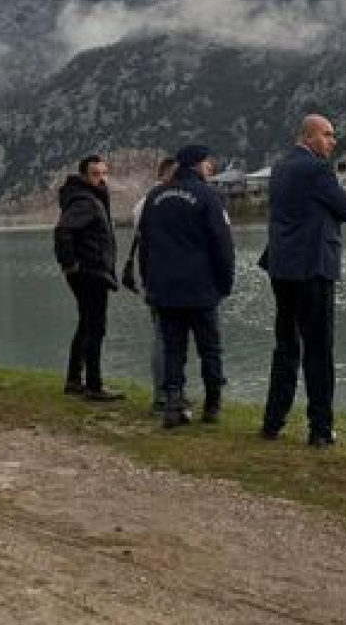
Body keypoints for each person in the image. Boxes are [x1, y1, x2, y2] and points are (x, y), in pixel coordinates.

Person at [260, 114, 346, 447]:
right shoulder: (316, 170)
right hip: (312, 269)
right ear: (309, 137)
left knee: (285, 345)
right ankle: (320, 429)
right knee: (318, 350)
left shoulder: (280, 169)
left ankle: (273, 421)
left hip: (282, 268)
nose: (333, 141)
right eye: (328, 135)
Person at [140, 144, 234, 428]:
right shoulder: (207, 195)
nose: (211, 168)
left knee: (173, 350)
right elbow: (222, 244)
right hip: (200, 287)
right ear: (196, 164)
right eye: (208, 163)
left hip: (165, 288)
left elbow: (145, 244)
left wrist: (149, 282)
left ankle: (172, 406)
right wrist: (225, 282)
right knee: (210, 349)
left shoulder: (155, 197)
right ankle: (213, 405)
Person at [54, 154, 125, 401]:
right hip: (89, 272)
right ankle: (94, 386)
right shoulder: (85, 200)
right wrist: (69, 263)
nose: (102, 178)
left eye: (104, 173)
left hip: (91, 270)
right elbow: (63, 230)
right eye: (96, 174)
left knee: (86, 324)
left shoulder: (90, 197)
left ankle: (74, 381)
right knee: (96, 327)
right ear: (85, 175)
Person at [121, 156, 177, 412]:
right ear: (165, 174)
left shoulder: (142, 204)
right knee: (165, 335)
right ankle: (167, 393)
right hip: (166, 277)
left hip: (150, 276)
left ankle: (163, 393)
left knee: (161, 333)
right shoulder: (158, 202)